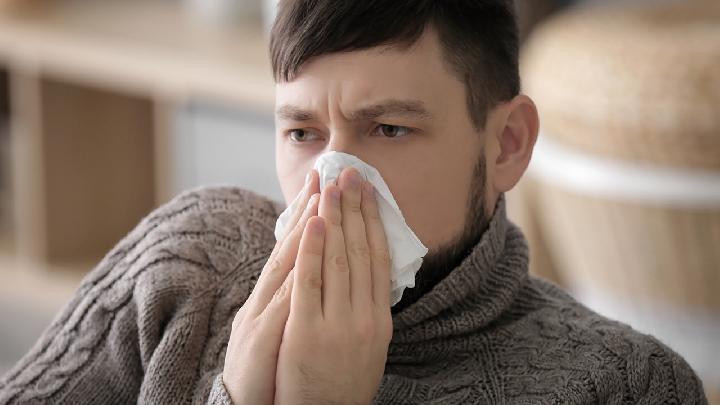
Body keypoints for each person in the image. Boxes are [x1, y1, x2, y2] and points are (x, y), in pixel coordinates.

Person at [0, 0, 708, 404]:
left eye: (389, 128)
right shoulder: (186, 261)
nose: (331, 180)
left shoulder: (623, 385)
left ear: (507, 144)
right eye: (303, 131)